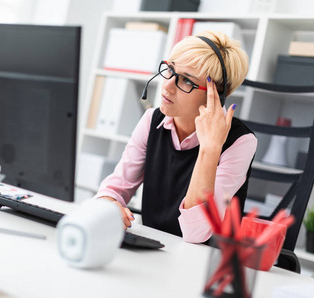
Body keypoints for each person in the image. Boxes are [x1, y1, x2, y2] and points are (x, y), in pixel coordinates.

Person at [94, 31, 257, 243]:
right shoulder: (152, 120)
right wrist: (109, 203)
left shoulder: (240, 142)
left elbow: (196, 234)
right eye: (170, 70)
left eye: (187, 81)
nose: (168, 86)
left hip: (205, 263)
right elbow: (115, 188)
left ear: (215, 94)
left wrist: (210, 148)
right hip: (154, 249)